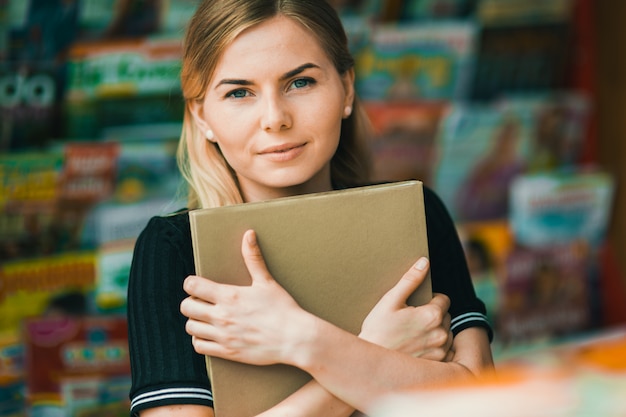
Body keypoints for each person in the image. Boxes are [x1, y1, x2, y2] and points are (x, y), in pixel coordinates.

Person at [126, 1, 494, 416]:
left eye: (299, 83)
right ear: (202, 116)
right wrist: (370, 354)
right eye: (239, 92)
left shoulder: (417, 212)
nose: (275, 119)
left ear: (347, 89)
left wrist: (302, 339)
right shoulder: (173, 250)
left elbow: (477, 400)